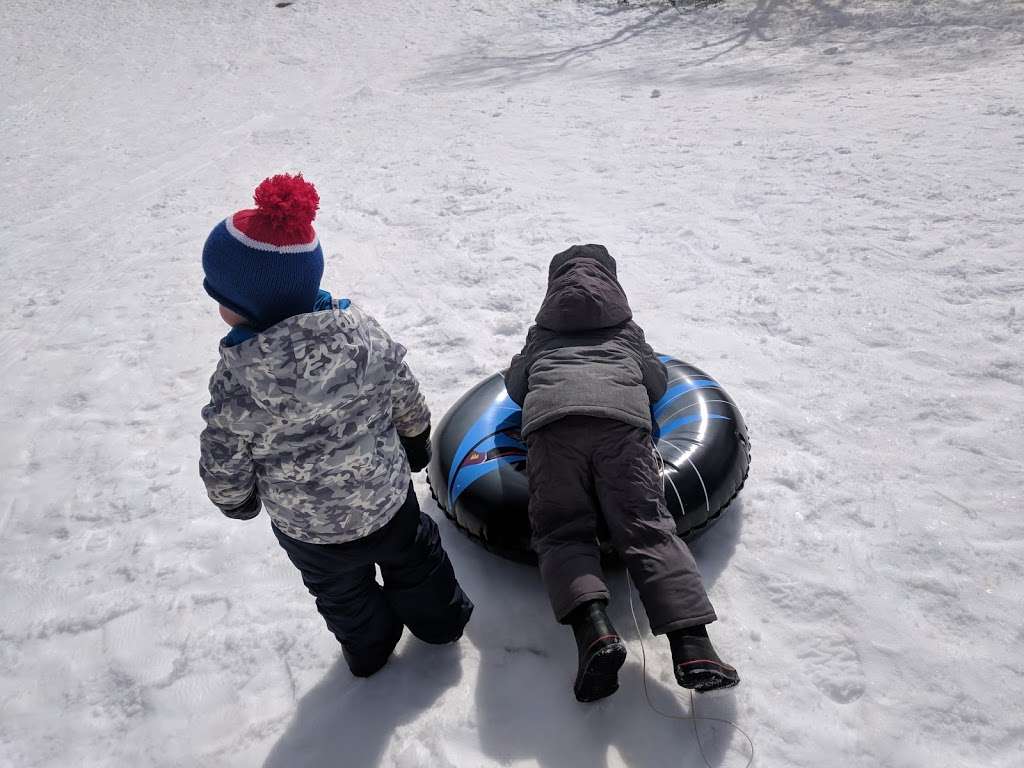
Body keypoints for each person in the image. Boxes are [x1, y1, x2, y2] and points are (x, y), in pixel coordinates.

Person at [198, 173, 472, 677]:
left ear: (250, 303)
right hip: (388, 502)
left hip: (312, 532)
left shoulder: (237, 381)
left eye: (221, 297)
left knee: (343, 595)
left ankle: (370, 648)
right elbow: (402, 388)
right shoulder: (361, 334)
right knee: (416, 564)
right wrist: (414, 440)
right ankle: (442, 622)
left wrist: (235, 500)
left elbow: (223, 453)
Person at [505, 244, 739, 702]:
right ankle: (694, 649)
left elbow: (516, 387)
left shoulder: (542, 333)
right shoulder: (627, 331)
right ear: (613, 285)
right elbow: (657, 382)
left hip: (552, 431)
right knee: (648, 529)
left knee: (562, 532)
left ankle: (594, 633)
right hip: (621, 430)